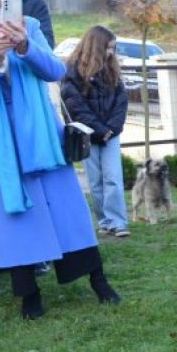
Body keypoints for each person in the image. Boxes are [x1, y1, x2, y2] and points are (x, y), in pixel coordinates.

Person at [0, 0, 119, 319]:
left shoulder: (28, 24)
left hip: (40, 136)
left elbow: (56, 70)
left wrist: (25, 47)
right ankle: (29, 295)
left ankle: (97, 280)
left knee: (67, 211)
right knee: (14, 219)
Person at [60, 26, 130, 238]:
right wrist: (99, 130)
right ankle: (104, 221)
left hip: (110, 134)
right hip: (88, 135)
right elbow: (74, 104)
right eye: (108, 49)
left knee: (113, 178)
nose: (111, 53)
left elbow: (121, 100)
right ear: (97, 47)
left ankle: (118, 222)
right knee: (95, 181)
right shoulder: (72, 70)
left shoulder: (112, 69)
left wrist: (112, 128)